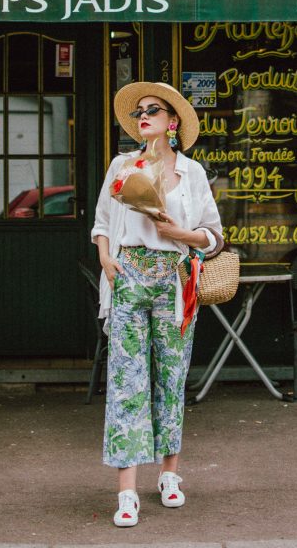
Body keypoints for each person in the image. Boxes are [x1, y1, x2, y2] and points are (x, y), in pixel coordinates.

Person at [91, 80, 222, 528]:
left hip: (174, 280)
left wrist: (180, 236)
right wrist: (107, 259)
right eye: (139, 111)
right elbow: (102, 220)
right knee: (126, 381)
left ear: (173, 122)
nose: (143, 116)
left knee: (171, 375)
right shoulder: (122, 166)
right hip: (127, 275)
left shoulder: (193, 173)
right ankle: (127, 491)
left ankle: (169, 473)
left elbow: (213, 236)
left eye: (153, 110)